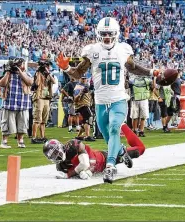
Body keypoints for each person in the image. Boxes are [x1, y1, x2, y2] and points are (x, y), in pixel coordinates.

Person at [56, 17, 171, 183]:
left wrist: (151, 72)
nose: (107, 37)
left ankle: (110, 167)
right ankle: (120, 152)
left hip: (118, 99)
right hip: (101, 102)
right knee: (109, 138)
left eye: (109, 34)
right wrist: (67, 68)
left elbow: (133, 68)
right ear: (98, 34)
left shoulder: (123, 49)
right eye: (103, 34)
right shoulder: (92, 50)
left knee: (115, 129)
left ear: (116, 34)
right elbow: (78, 73)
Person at [43, 124, 144, 181]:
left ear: (60, 147)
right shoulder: (61, 166)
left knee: (140, 149)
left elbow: (87, 162)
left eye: (56, 153)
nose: (56, 157)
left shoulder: (73, 145)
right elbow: (79, 169)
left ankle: (122, 125)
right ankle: (120, 150)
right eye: (53, 156)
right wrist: (77, 172)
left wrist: (70, 174)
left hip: (104, 158)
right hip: (100, 165)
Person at [0, 58, 33, 148]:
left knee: (22, 124)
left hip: (23, 103)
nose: (19, 66)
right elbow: (2, 84)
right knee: (6, 124)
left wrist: (20, 72)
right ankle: (4, 142)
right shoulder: (7, 74)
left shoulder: (26, 73)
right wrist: (8, 72)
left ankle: (20, 141)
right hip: (10, 103)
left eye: (20, 64)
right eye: (18, 65)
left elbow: (30, 82)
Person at [31, 60, 56, 144]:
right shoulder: (37, 73)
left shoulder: (48, 75)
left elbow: (54, 82)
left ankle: (42, 136)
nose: (47, 67)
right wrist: (38, 72)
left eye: (47, 66)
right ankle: (34, 137)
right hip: (39, 97)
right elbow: (37, 83)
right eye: (46, 66)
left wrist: (48, 73)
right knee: (37, 119)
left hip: (46, 98)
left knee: (44, 120)